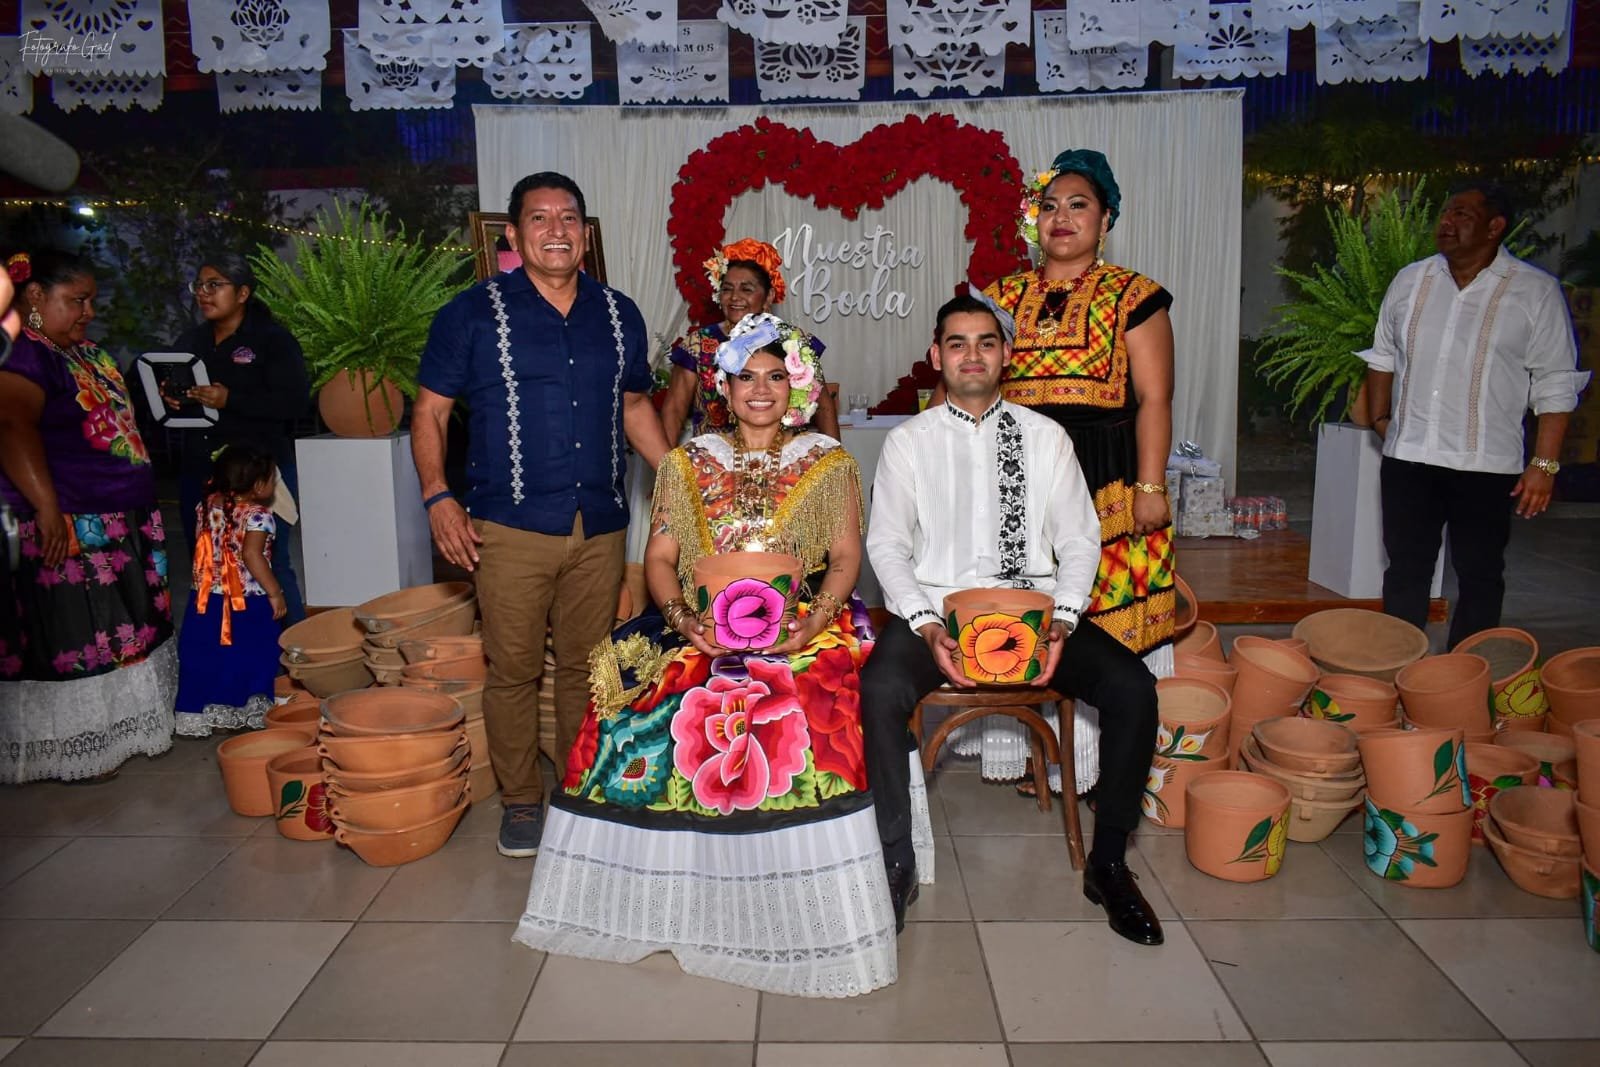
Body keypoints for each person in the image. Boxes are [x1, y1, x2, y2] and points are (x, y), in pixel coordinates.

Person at [514, 312, 896, 997]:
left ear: (797, 386)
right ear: (723, 385)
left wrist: (813, 623)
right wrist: (686, 620)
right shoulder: (687, 461)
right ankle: (679, 893)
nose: (759, 389)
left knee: (811, 699)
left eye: (775, 375)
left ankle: (792, 897)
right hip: (698, 621)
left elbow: (844, 557)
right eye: (745, 375)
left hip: (802, 621)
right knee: (642, 699)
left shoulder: (829, 460)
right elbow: (660, 558)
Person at [861, 292, 1163, 946]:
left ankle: (1108, 863)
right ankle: (895, 859)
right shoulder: (908, 443)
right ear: (937, 356)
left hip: (1037, 611)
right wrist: (924, 621)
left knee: (1133, 686)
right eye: (959, 343)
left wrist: (1064, 617)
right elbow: (885, 544)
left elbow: (1081, 541)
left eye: (986, 342)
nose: (973, 354)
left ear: (1005, 356)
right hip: (937, 615)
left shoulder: (1043, 437)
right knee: (880, 687)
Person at [414, 172, 671, 858]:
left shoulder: (619, 313)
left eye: (568, 219)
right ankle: (522, 800)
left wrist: (678, 480)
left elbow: (636, 405)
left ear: (584, 235)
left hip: (599, 522)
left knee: (589, 667)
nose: (556, 230)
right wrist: (438, 496)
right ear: (513, 234)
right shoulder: (469, 314)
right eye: (540, 218)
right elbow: (431, 410)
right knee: (514, 668)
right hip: (508, 525)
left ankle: (580, 784)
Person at [967, 149, 1175, 796]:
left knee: (1099, 624)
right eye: (1049, 206)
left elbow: (1156, 399)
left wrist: (1150, 487)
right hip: (1018, 478)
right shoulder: (1002, 296)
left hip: (1107, 478)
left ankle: (1090, 770)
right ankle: (1031, 753)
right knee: (1024, 617)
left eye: (1078, 204)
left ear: (1105, 218)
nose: (1061, 218)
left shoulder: (1135, 297)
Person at [1364, 182, 1589, 649]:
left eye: (1462, 214)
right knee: (1405, 571)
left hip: (1486, 465)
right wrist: (1380, 417)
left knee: (1481, 575)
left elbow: (1555, 382)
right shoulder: (1411, 280)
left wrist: (1543, 466)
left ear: (1495, 225)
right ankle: (1392, 672)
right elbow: (1382, 355)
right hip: (1410, 458)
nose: (1446, 222)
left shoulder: (1535, 291)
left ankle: (1464, 678)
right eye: (1446, 212)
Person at [0, 249, 176, 783]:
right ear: (34, 297)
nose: (88, 311)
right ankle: (74, 746)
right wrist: (48, 508)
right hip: (70, 521)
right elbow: (11, 427)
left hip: (117, 515)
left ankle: (118, 732)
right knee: (80, 633)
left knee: (122, 624)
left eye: (91, 300)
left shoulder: (78, 351)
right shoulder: (22, 356)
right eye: (76, 300)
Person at [169, 253, 310, 623]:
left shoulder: (272, 340)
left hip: (259, 471)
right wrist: (174, 398)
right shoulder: (191, 339)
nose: (203, 293)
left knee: (270, 561)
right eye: (199, 285)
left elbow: (294, 403)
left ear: (243, 292)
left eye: (214, 285)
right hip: (201, 469)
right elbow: (174, 387)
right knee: (207, 560)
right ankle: (224, 652)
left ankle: (290, 658)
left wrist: (231, 399)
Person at [658, 237, 840, 442]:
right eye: (727, 289)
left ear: (769, 296)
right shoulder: (698, 344)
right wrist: (666, 468)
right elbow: (673, 411)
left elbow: (823, 408)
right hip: (715, 464)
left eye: (746, 289)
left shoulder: (794, 341)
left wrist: (836, 463)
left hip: (785, 462)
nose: (734, 297)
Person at [172, 445, 285, 737]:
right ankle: (244, 709)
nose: (274, 485)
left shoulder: (207, 505)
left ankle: (213, 713)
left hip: (206, 598)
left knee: (209, 655)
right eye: (273, 479)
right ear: (258, 486)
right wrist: (274, 591)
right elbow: (252, 555)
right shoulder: (259, 516)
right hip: (246, 602)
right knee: (252, 655)